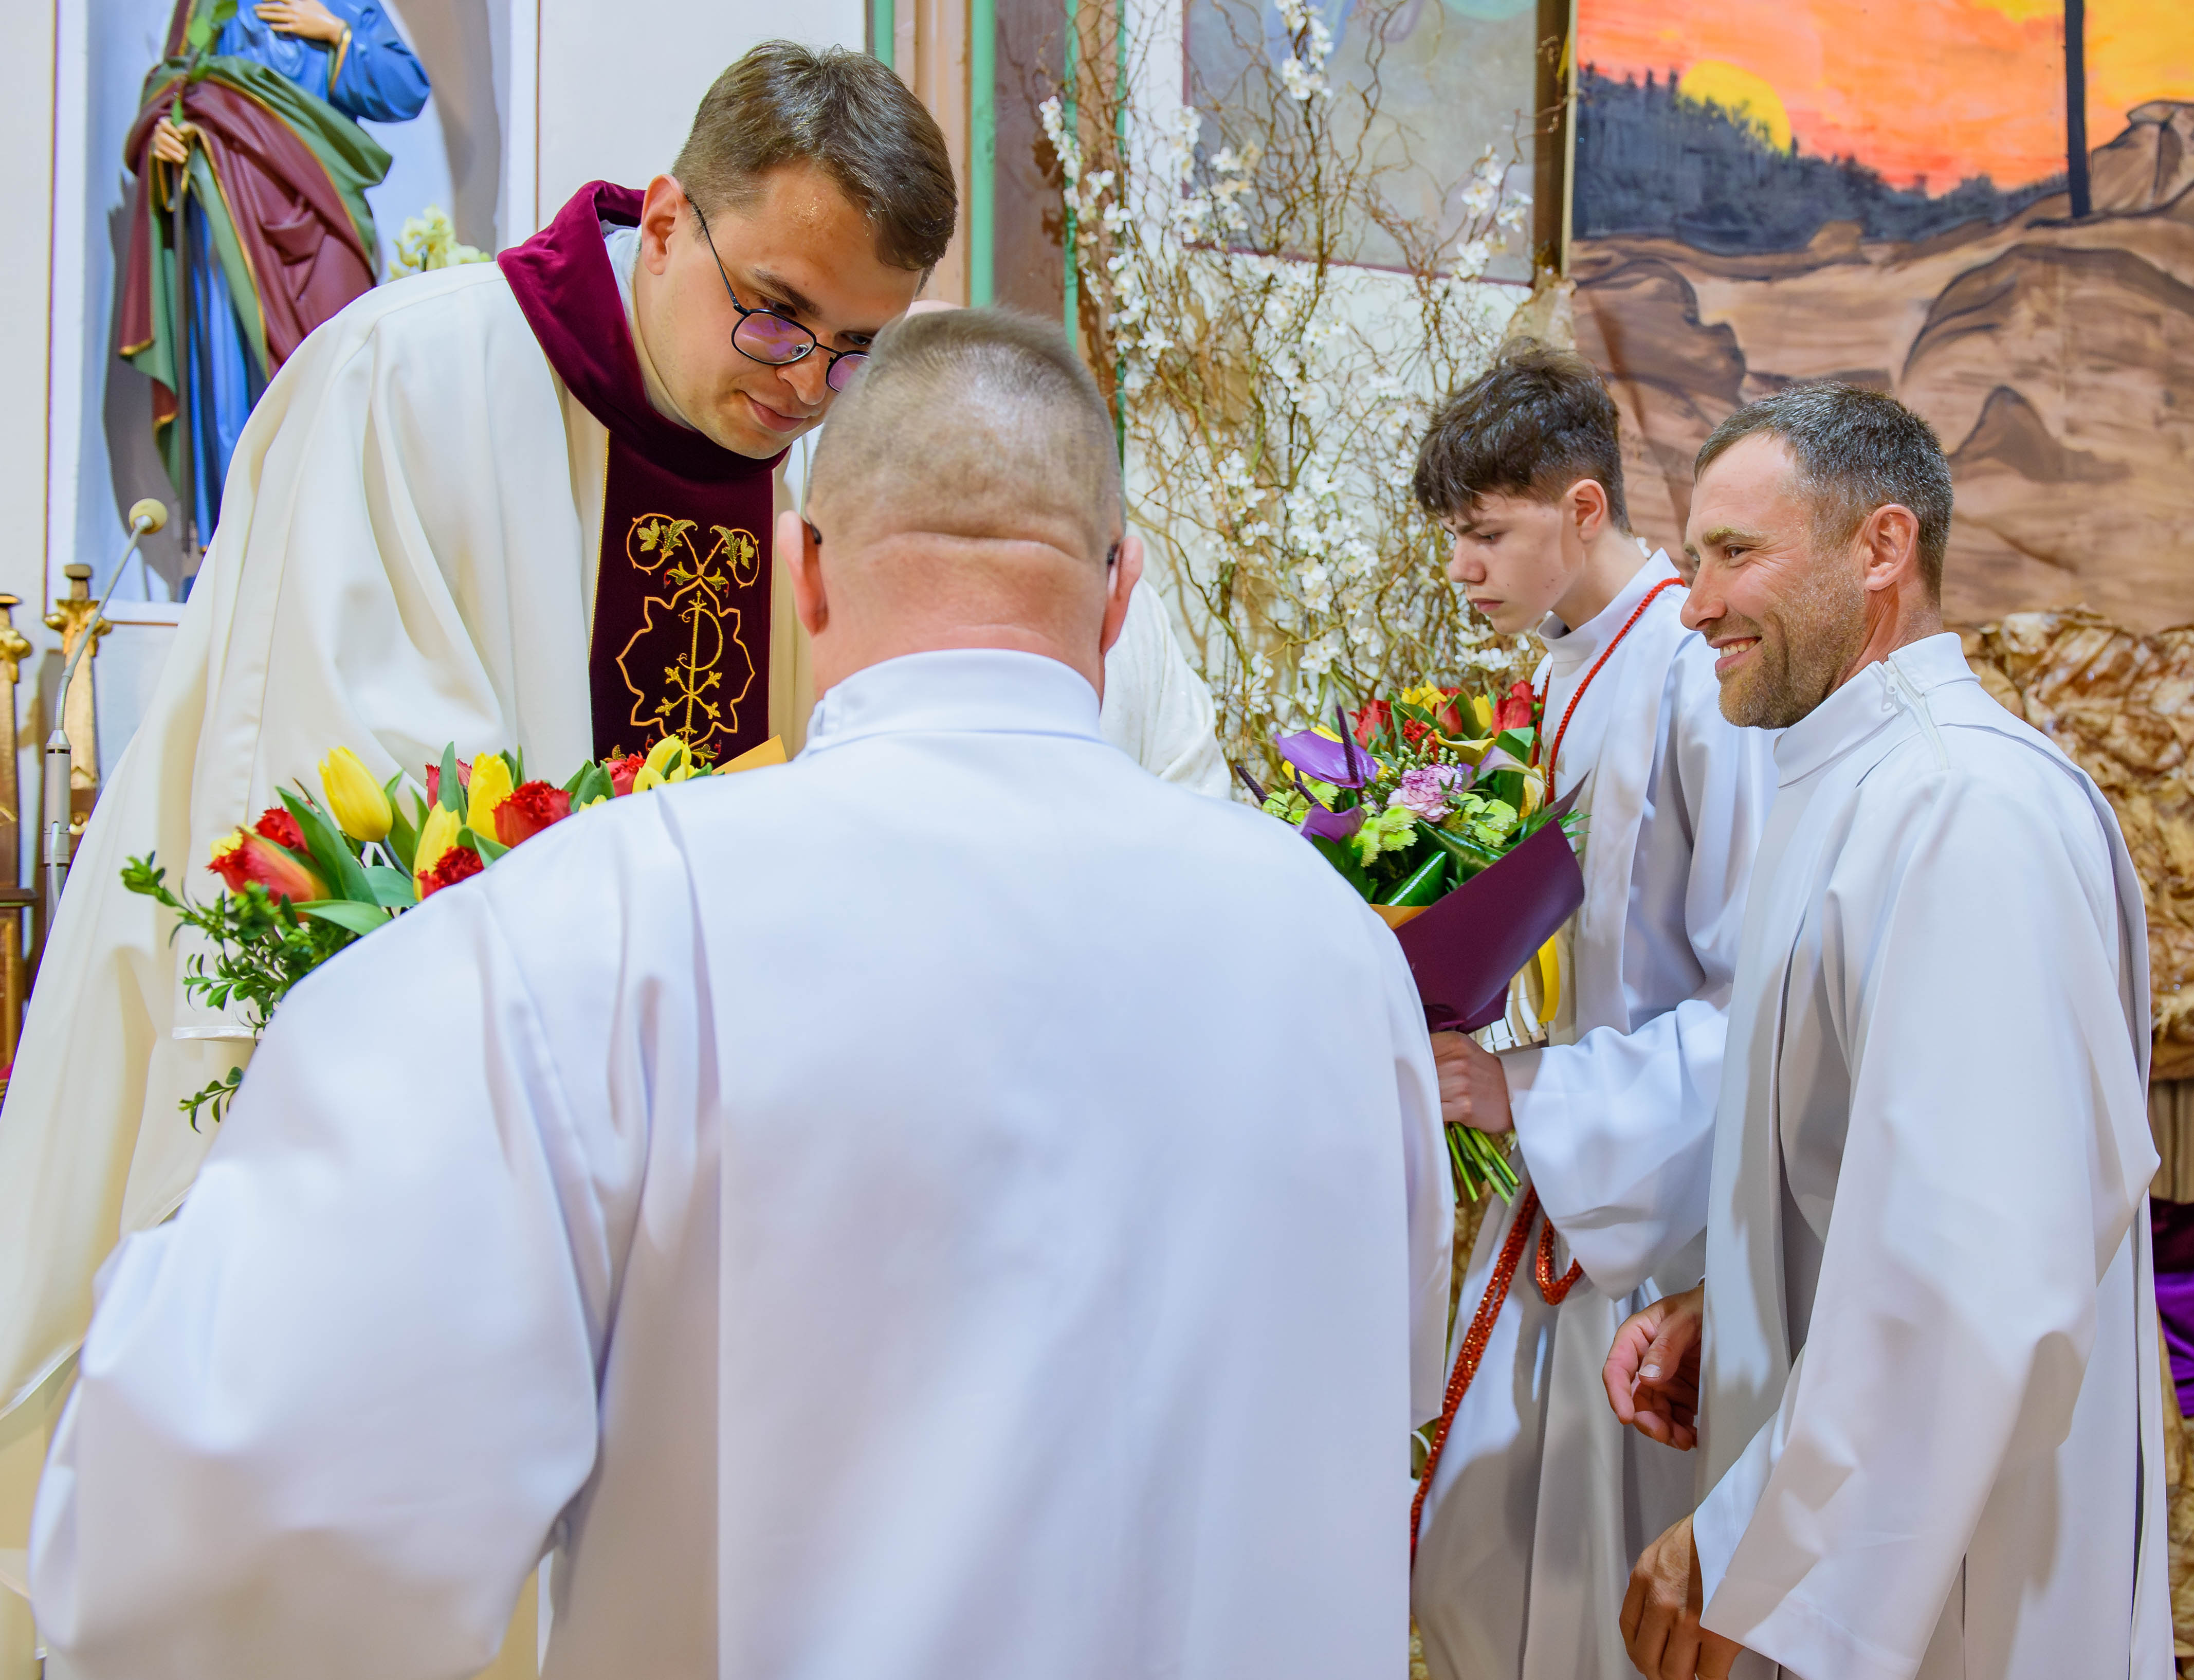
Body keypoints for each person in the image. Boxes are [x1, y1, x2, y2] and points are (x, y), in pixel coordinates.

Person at [29, 309, 1453, 1680]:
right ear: (1121, 590)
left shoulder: (609, 922)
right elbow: (1376, 1385)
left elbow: (234, 1534)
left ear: (803, 570)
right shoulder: (1334, 951)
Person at [0, 42, 1228, 1448]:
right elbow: (356, 810)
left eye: (856, 346)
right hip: (465, 1179)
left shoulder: (847, 459)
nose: (806, 385)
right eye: (776, 314)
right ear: (665, 221)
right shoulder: (415, 380)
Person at [1600, 384, 2170, 1680]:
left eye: (1734, 552)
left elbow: (1972, 1270)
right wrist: (1745, 1298)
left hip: (1953, 1564)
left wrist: (1748, 1537)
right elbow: (1873, 1165)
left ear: (1880, 547)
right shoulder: (1857, 782)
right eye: (1692, 558)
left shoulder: (1962, 808)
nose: (1692, 605)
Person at [1407, 342, 1772, 1680]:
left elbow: (1751, 1001)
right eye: (1453, 537)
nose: (1462, 568)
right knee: (1491, 1545)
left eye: (1485, 533)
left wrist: (1529, 1091)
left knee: (1597, 1571)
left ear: (1579, 507)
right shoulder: (1563, 667)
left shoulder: (1696, 680)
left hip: (1653, 1213)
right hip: (1561, 1169)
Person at [127, 0, 432, 544]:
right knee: (229, 386)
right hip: (227, 222)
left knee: (334, 382)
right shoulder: (206, 7)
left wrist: (338, 34)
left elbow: (406, 87)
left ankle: (326, 552)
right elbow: (173, 86)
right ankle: (235, 550)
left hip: (320, 214)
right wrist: (164, 137)